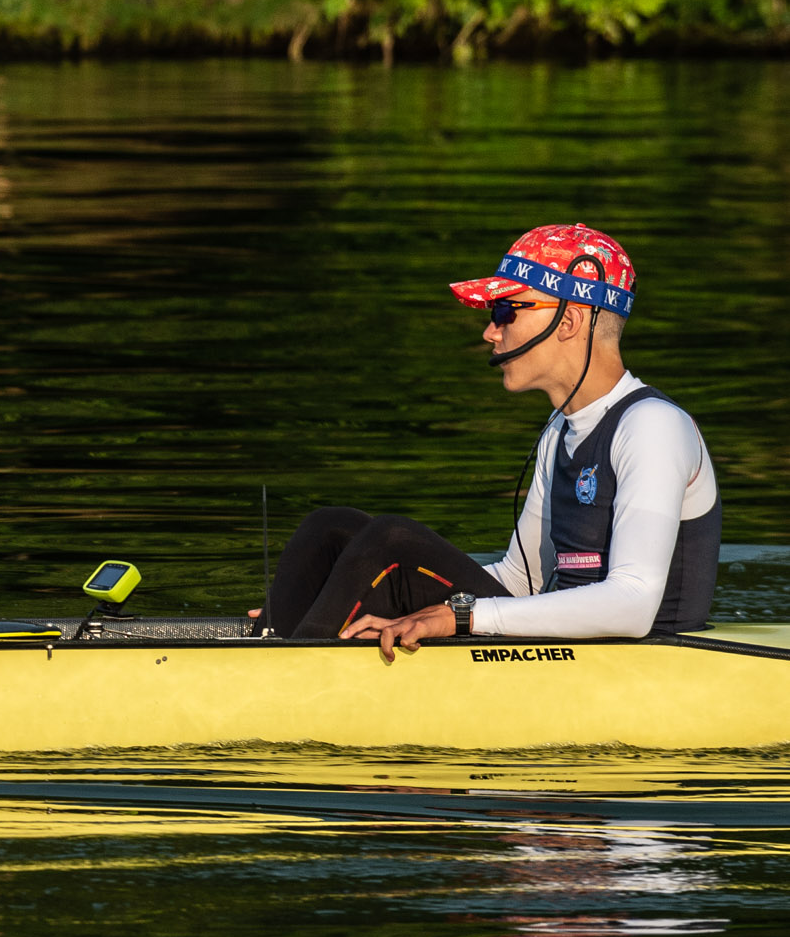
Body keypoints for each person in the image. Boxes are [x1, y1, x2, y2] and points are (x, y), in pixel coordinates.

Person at [265, 223, 720, 653]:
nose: (490, 332)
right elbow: (519, 582)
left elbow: (634, 606)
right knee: (331, 529)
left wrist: (458, 618)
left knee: (392, 539)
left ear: (569, 322)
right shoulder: (559, 430)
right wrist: (343, 591)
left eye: (505, 311)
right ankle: (278, 642)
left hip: (640, 665)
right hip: (575, 653)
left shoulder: (653, 426)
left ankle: (285, 677)